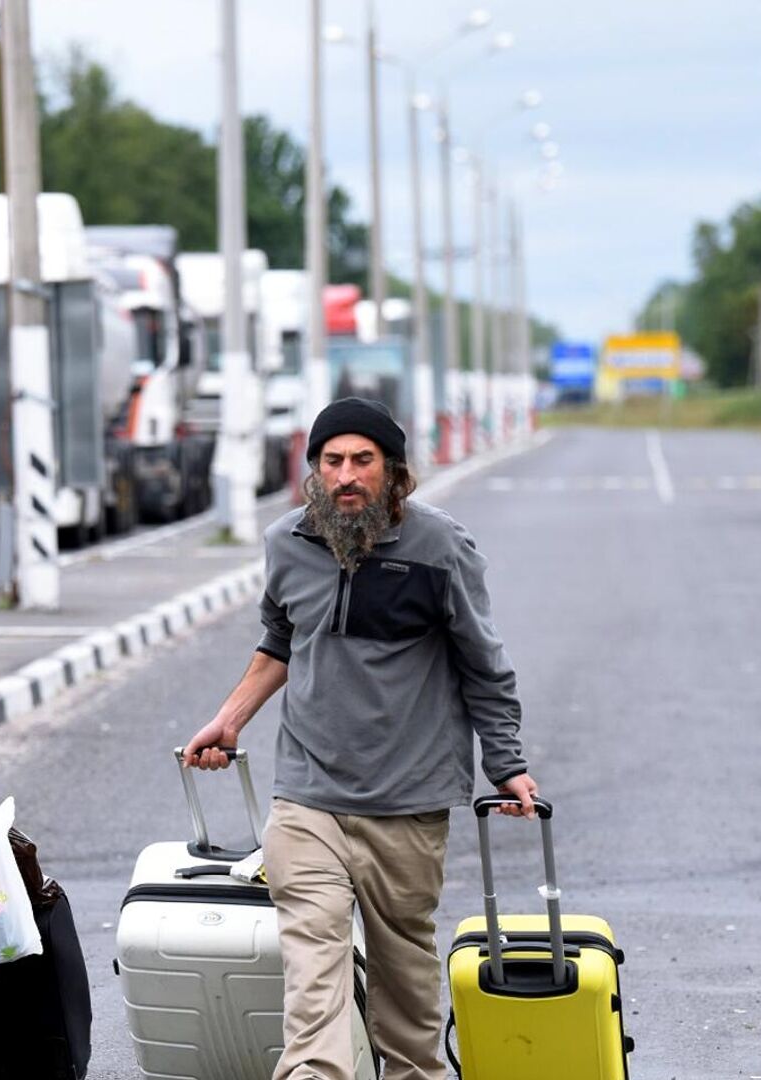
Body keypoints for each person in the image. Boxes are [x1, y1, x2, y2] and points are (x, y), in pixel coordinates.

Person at [184, 397, 541, 1080]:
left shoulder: (441, 548)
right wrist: (229, 720)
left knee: (406, 1001)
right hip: (308, 796)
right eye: (331, 461)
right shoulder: (287, 542)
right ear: (314, 470)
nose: (346, 476)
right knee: (312, 971)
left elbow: (483, 663)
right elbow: (281, 639)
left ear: (395, 471)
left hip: (408, 801)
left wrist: (507, 763)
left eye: (362, 461)